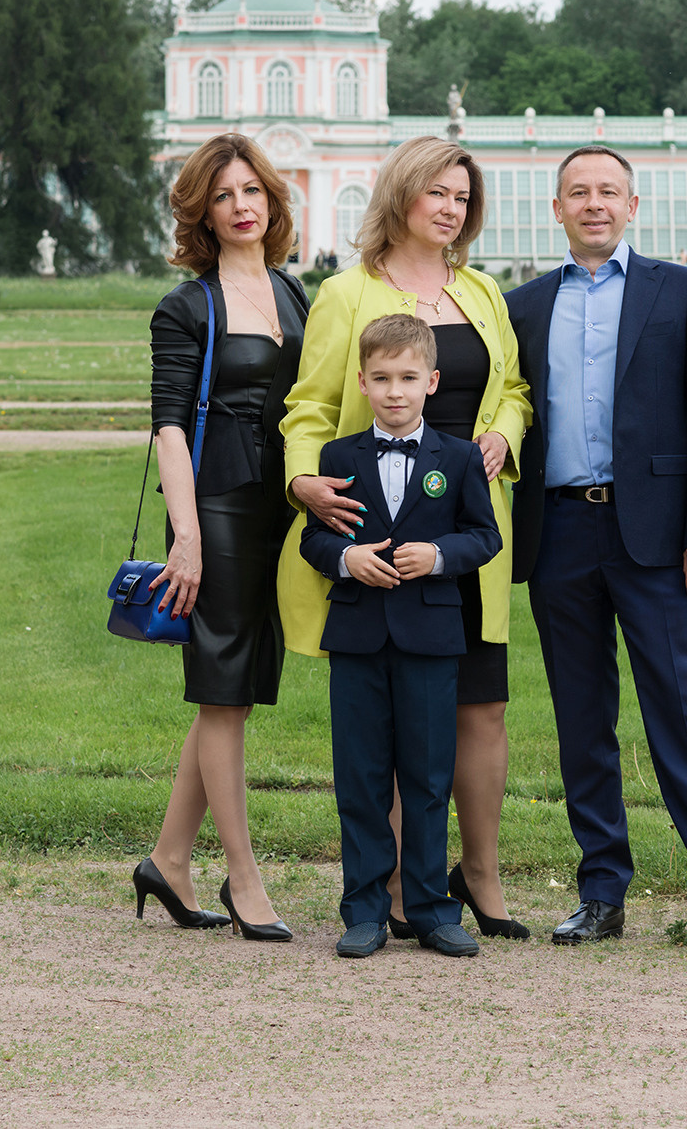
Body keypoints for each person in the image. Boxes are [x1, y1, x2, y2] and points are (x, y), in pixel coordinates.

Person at [504, 144, 687, 956]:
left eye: (607, 191)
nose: (593, 203)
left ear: (632, 204)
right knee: (583, 722)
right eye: (577, 192)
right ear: (556, 209)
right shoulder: (526, 306)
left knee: (679, 718)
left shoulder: (680, 292)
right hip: (560, 534)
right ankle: (601, 893)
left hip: (657, 539)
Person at [279, 135, 535, 939]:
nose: (452, 206)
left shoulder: (484, 291)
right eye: (437, 191)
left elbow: (516, 387)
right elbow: (309, 408)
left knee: (481, 707)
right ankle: (387, 890)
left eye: (463, 195)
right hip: (379, 529)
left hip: (465, 528)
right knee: (387, 719)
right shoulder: (346, 292)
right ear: (400, 195)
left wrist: (503, 432)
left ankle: (481, 878)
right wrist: (302, 480)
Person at [133, 133, 309, 943]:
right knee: (224, 692)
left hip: (283, 506)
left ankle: (169, 859)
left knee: (226, 690)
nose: (243, 205)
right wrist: (188, 537)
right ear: (202, 211)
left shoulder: (293, 291)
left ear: (271, 200)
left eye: (254, 191)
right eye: (225, 194)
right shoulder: (187, 305)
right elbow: (169, 427)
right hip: (221, 507)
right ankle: (243, 878)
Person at [300, 315, 503, 958]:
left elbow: (485, 535)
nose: (394, 391)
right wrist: (344, 557)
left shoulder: (461, 456)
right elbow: (313, 537)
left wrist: (439, 555)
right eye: (382, 379)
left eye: (408, 378)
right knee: (360, 777)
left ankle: (431, 908)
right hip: (358, 637)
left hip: (431, 639)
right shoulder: (338, 459)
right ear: (361, 383)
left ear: (432, 382)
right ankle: (363, 909)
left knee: (426, 776)